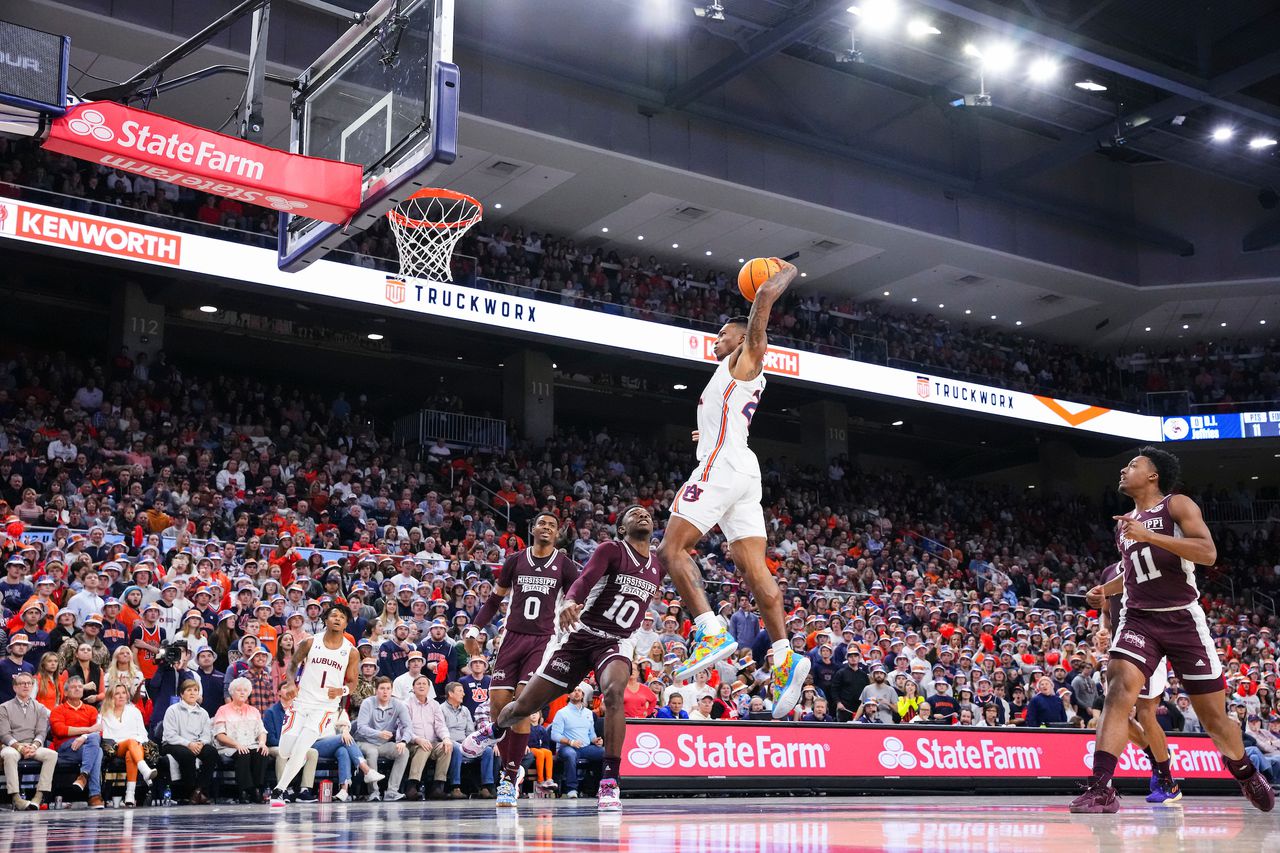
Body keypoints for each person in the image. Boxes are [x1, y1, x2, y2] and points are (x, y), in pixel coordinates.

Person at [1074, 447, 1273, 814]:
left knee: (1215, 720)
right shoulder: (1126, 523)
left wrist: (1150, 536)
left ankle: (1243, 769)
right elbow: (1134, 572)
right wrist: (1106, 590)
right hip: (1138, 619)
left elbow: (1207, 553)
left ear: (1153, 476)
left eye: (1133, 464)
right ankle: (1101, 787)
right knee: (1118, 690)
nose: (1123, 468)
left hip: (1182, 619)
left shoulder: (1176, 505)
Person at [655, 261, 811, 720]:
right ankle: (784, 657)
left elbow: (761, 305)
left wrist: (781, 275)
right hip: (741, 465)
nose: (716, 339)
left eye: (723, 333)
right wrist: (707, 434)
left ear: (742, 339)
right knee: (751, 565)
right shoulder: (730, 374)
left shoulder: (746, 358)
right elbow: (727, 417)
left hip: (722, 465)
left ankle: (709, 628)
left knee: (670, 549)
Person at [463, 505, 664, 811]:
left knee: (613, 692)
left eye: (646, 513)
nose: (643, 515)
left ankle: (609, 781)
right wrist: (571, 600)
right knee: (520, 707)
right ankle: (494, 730)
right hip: (572, 637)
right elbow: (583, 582)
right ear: (621, 528)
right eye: (633, 513)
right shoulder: (608, 550)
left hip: (610, 641)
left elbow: (579, 580)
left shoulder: (657, 562)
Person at [469, 510, 580, 806]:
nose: (546, 527)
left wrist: (572, 608)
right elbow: (494, 599)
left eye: (552, 525)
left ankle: (507, 777)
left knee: (520, 705)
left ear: (557, 534)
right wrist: (475, 627)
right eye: (541, 523)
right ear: (532, 529)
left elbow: (577, 597)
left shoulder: (566, 566)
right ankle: (511, 767)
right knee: (498, 707)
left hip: (542, 641)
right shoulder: (515, 560)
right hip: (510, 638)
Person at [1099, 559, 1180, 804]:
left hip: (1148, 646)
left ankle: (1168, 781)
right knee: (1117, 715)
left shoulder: (1151, 563)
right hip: (1119, 650)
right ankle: (1155, 758)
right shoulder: (1109, 571)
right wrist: (1103, 630)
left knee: (1146, 714)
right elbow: (1105, 611)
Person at [268, 602, 361, 808]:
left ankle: (279, 791)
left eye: (342, 617)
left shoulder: (351, 652)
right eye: (333, 615)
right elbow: (292, 664)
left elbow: (353, 682)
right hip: (301, 703)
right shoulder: (310, 642)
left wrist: (342, 691)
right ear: (325, 620)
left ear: (346, 623)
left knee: (302, 747)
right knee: (286, 751)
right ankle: (282, 786)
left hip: (325, 707)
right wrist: (291, 682)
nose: (337, 619)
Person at [0, 672, 57, 810]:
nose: (26, 686)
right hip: (13, 745)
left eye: (29, 683)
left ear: (32, 686)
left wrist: (34, 746)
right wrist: (19, 747)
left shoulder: (40, 708)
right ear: (15, 687)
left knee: (51, 755)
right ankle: (16, 798)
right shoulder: (4, 707)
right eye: (22, 683)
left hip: (33, 745)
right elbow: (4, 734)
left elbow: (41, 732)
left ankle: (38, 797)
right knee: (9, 754)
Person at [49, 675, 105, 808]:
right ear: (66, 692)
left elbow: (99, 732)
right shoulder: (58, 710)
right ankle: (94, 795)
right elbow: (60, 730)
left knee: (96, 744)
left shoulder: (91, 709)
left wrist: (84, 737)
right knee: (97, 750)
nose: (77, 689)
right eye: (73, 687)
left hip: (86, 746)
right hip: (66, 747)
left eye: (80, 686)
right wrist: (88, 730)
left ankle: (83, 776)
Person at [213, 676, 270, 804]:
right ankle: (244, 791)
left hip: (251, 744)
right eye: (239, 690)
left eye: (245, 690)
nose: (243, 692)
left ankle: (257, 789)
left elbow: (261, 731)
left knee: (261, 753)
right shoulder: (223, 710)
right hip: (230, 746)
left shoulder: (253, 711)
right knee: (244, 753)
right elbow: (220, 735)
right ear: (232, 693)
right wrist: (237, 745)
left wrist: (262, 743)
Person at [160, 679, 218, 805]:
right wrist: (188, 744)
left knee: (211, 752)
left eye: (195, 690)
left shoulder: (203, 713)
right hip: (173, 743)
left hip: (196, 743)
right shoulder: (172, 710)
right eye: (189, 690)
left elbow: (207, 735)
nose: (192, 693)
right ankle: (190, 791)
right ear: (182, 694)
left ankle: (198, 791)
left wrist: (201, 743)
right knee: (187, 754)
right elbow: (170, 735)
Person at [99, 683, 158, 806]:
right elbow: (105, 736)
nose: (121, 696)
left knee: (131, 753)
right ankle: (144, 769)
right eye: (117, 693)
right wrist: (130, 742)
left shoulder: (134, 711)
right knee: (131, 742)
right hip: (115, 747)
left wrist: (136, 743)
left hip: (136, 746)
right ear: (111, 696)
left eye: (123, 693)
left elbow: (143, 734)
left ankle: (130, 795)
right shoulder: (104, 713)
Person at [354, 676, 411, 802]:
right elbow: (361, 727)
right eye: (382, 688)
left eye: (388, 689)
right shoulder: (367, 703)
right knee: (372, 752)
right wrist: (378, 733)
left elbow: (408, 727)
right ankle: (374, 792)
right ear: (376, 690)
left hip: (383, 744)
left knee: (404, 751)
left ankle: (392, 791)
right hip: (364, 741)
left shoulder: (398, 705)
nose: (385, 692)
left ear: (392, 691)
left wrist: (403, 741)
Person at [313, 706, 383, 803]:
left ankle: (344, 790)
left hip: (335, 745)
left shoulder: (340, 711)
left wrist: (345, 730)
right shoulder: (315, 707)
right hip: (317, 744)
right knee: (343, 738)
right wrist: (343, 733)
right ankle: (366, 770)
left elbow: (345, 725)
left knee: (343, 751)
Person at [263, 683, 319, 802]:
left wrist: (297, 746)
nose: (289, 689)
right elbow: (270, 738)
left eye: (291, 687)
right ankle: (282, 790)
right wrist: (292, 746)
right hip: (275, 746)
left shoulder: (302, 711)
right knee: (282, 752)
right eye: (284, 687)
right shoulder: (271, 712)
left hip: (296, 745)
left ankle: (305, 790)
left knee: (313, 752)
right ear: (278, 693)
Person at [442, 680, 493, 799]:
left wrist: (475, 744)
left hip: (464, 742)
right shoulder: (441, 709)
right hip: (449, 742)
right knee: (457, 748)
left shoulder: (465, 710)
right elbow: (440, 730)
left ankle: (486, 786)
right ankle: (455, 787)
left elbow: (470, 732)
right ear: (451, 694)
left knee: (488, 750)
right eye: (460, 691)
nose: (464, 694)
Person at [404, 674, 452, 800]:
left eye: (424, 684)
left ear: (429, 688)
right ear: (413, 688)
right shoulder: (406, 704)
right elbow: (404, 728)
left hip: (431, 742)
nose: (421, 686)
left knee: (445, 747)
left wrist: (446, 738)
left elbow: (440, 726)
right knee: (424, 747)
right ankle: (412, 786)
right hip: (412, 742)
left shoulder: (434, 704)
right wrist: (418, 739)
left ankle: (438, 787)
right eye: (418, 684)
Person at [549, 686, 604, 798]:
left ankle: (602, 787)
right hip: (566, 748)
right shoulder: (562, 713)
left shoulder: (588, 713)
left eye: (579, 691)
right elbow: (554, 735)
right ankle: (571, 789)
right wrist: (570, 742)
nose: (577, 692)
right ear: (569, 695)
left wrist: (596, 740)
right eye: (574, 691)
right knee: (571, 754)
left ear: (583, 695)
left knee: (605, 752)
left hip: (585, 747)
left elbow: (591, 734)